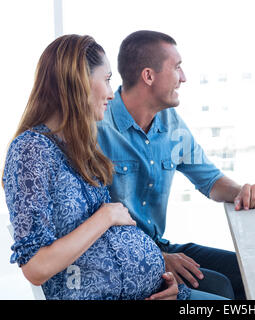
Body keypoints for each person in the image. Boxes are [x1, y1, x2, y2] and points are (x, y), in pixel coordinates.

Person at [2, 34, 191, 300]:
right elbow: (36, 266)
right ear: (79, 82)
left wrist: (160, 280)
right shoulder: (30, 150)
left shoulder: (78, 147)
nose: (112, 93)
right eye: (107, 79)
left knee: (227, 289)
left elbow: (109, 242)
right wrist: (106, 216)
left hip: (154, 293)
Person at [96, 30, 255, 300]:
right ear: (148, 76)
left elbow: (210, 180)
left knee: (248, 271)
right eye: (177, 67)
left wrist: (241, 191)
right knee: (223, 288)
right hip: (124, 259)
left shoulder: (170, 122)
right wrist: (157, 258)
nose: (184, 77)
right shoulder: (99, 129)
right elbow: (90, 227)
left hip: (161, 245)